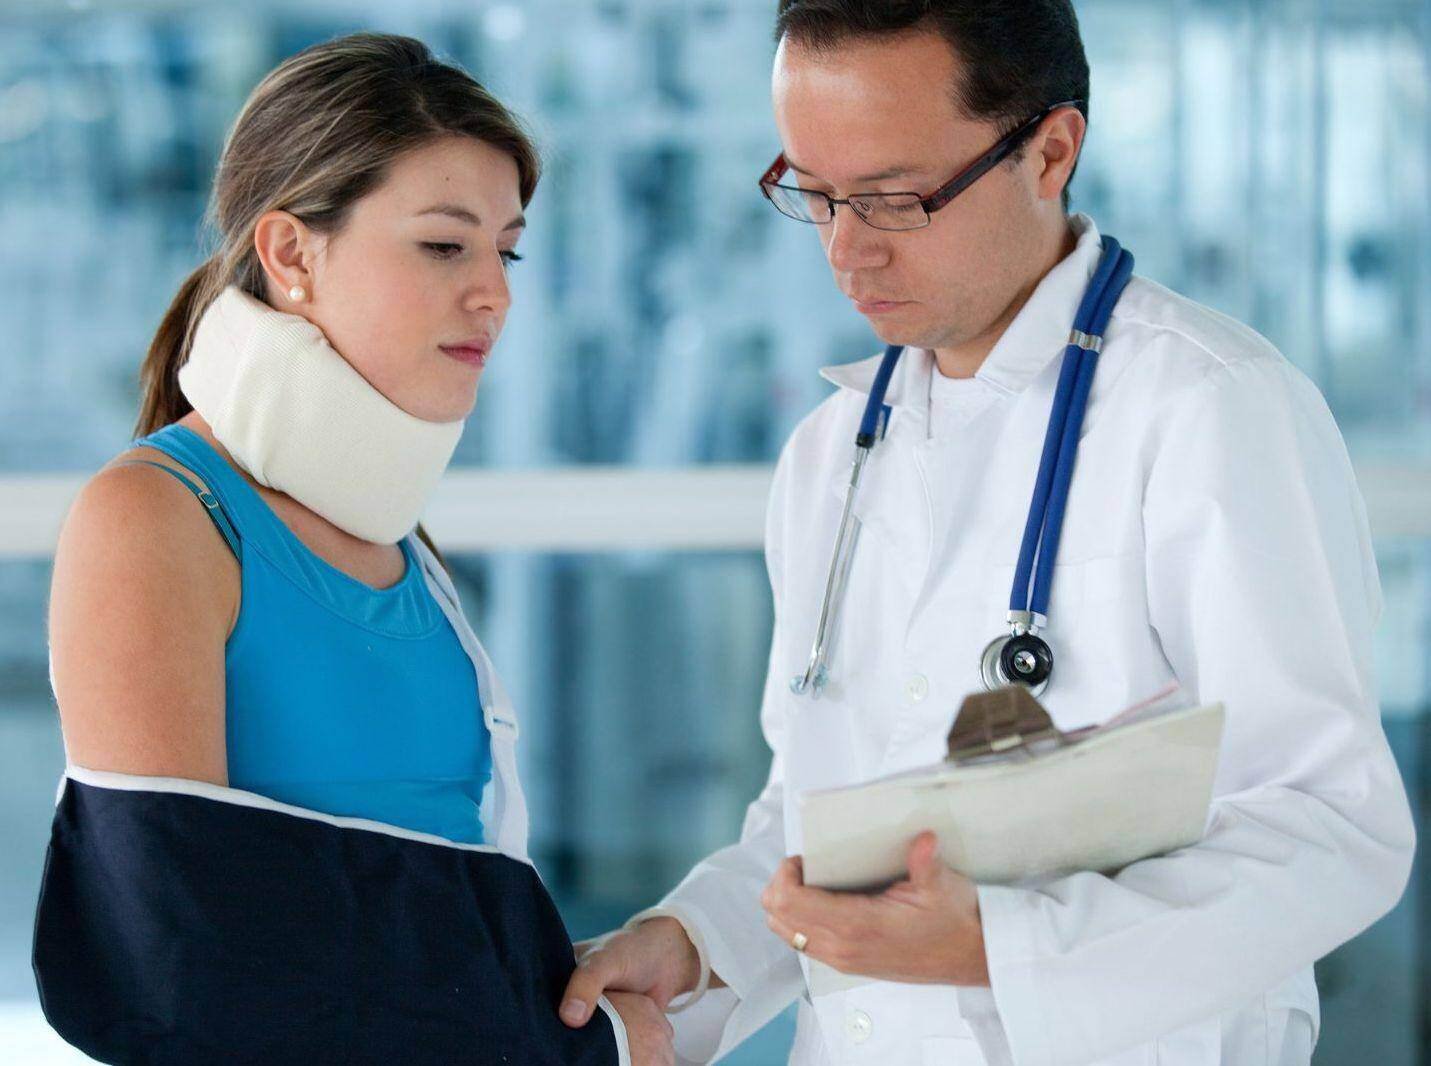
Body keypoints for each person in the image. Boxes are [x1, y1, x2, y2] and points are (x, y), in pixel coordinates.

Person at [560, 3, 1416, 1064]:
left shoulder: (1210, 408)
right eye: (813, 193)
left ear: (1051, 150)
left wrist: (1003, 944)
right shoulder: (833, 452)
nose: (845, 248)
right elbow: (822, 819)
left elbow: (1331, 825)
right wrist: (699, 940)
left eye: (894, 198)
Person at [40, 32, 672, 1066]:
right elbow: (175, 968)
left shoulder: (402, 544)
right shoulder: (154, 520)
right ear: (291, 254)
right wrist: (584, 1047)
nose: (495, 293)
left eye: (505, 250)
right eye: (443, 244)